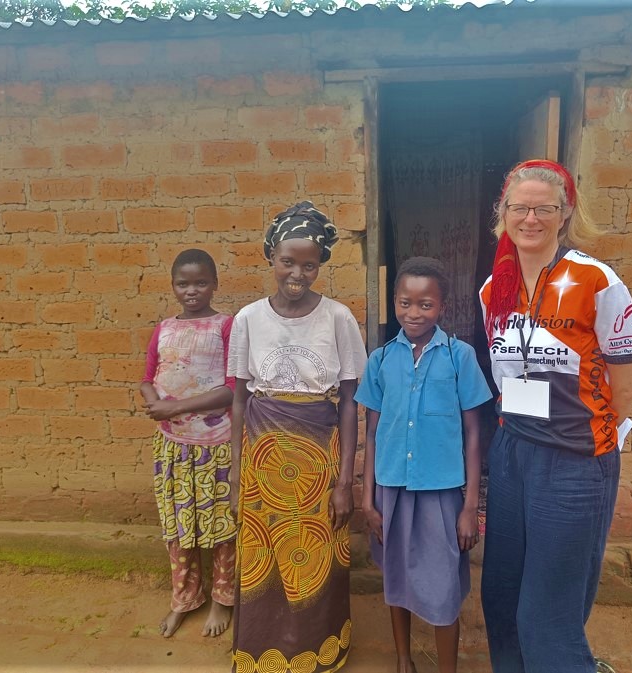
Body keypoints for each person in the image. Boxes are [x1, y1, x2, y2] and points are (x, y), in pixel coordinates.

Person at [479, 159, 632, 673]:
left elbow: (626, 386)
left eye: (543, 208)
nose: (530, 218)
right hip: (512, 453)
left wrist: (586, 436)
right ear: (502, 214)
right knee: (501, 601)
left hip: (575, 461)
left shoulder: (596, 281)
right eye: (519, 208)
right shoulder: (494, 288)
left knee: (546, 619)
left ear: (564, 213)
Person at [227, 201, 367, 673]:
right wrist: (233, 480)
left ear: (320, 265)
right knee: (263, 548)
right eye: (289, 261)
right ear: (270, 254)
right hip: (262, 456)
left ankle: (318, 648)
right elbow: (239, 402)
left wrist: (345, 481)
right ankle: (264, 651)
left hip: (318, 452)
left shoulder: (338, 318)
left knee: (317, 548)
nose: (298, 273)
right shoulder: (247, 319)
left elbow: (350, 401)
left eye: (310, 265)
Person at [355, 256, 492, 673]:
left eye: (425, 305)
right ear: (395, 303)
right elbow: (373, 432)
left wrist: (470, 506)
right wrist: (367, 499)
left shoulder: (459, 357)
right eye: (405, 303)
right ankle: (403, 659)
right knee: (396, 578)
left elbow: (474, 432)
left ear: (442, 307)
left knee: (443, 586)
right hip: (391, 488)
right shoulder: (380, 360)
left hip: (441, 494)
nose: (414, 313)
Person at [140, 248, 237, 639]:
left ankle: (222, 600)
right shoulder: (163, 328)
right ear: (173, 287)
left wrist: (175, 406)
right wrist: (154, 404)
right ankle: (183, 599)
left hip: (216, 446)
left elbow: (233, 389)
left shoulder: (225, 326)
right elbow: (147, 377)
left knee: (220, 526)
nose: (192, 290)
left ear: (214, 284)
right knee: (179, 527)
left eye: (200, 282)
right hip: (172, 448)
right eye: (184, 283)